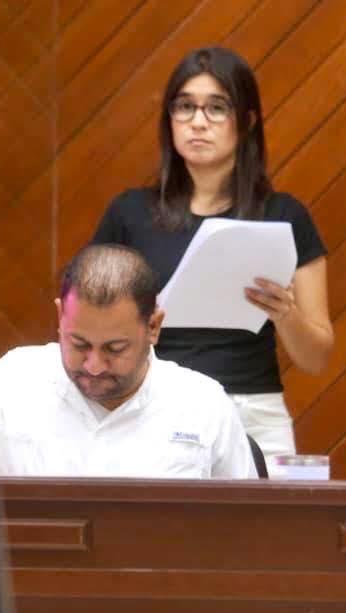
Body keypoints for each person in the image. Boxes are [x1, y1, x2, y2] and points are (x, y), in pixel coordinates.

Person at [90, 46, 332, 462]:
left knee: (265, 529)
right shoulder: (129, 214)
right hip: (155, 404)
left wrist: (285, 314)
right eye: (184, 107)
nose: (198, 122)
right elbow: (88, 318)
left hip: (254, 412)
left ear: (248, 121)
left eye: (217, 108)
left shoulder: (284, 216)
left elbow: (317, 357)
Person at [0, 244, 257, 479]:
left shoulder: (202, 404)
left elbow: (246, 531)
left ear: (153, 326)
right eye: (79, 344)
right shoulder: (7, 385)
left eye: (115, 348)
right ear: (60, 318)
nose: (94, 365)